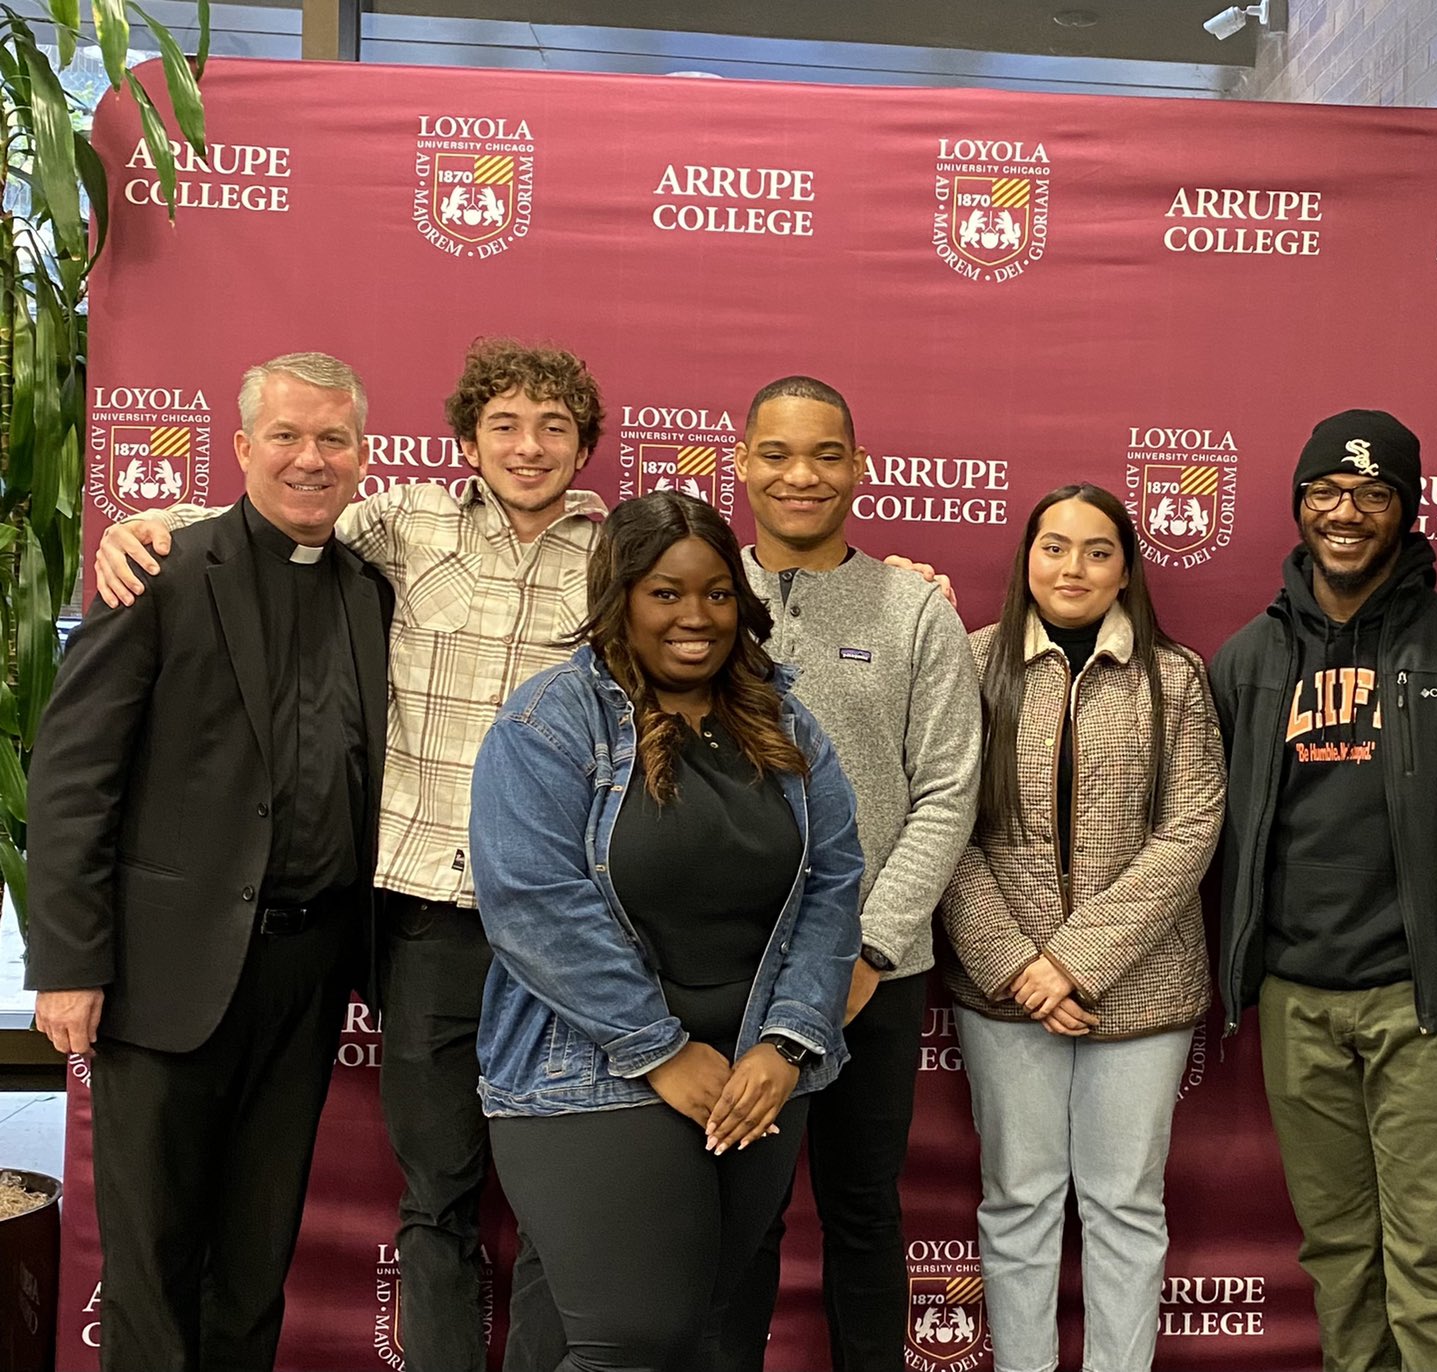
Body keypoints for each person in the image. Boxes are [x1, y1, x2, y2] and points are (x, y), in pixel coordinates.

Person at [93, 338, 605, 1372]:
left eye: (554, 426)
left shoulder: (622, 552)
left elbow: (721, 619)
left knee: (563, 1200)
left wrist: (890, 577)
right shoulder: (404, 522)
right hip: (424, 917)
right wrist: (145, 524)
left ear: (584, 446)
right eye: (504, 424)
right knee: (437, 1197)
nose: (528, 446)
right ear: (466, 441)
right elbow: (273, 519)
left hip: (564, 919)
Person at [26, 352, 392, 1370]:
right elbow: (73, 775)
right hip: (164, 970)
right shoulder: (159, 568)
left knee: (255, 1258)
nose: (310, 459)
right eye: (286, 436)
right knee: (150, 1261)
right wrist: (68, 961)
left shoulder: (371, 591)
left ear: (362, 454)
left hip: (306, 977)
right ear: (240, 447)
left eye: (333, 438)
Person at [469, 490, 863, 1371]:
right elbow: (534, 904)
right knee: (637, 1341)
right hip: (596, 1070)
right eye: (666, 593)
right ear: (619, 599)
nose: (697, 616)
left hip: (756, 1075)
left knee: (697, 1334)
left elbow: (833, 883)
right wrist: (660, 1049)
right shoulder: (548, 722)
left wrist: (787, 1045)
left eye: (717, 593)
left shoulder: (786, 722)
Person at [1210, 410, 1437, 1370]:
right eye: (1326, 492)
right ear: (1298, 504)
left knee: (1432, 1259)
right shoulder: (1248, 661)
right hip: (1298, 1003)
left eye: (1373, 494)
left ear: (1406, 511)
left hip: (1425, 1001)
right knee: (1338, 1255)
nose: (1346, 513)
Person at [722, 376, 981, 1372]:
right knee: (740, 1213)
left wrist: (867, 949)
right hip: (734, 969)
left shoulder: (914, 610)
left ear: (860, 467)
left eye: (826, 454)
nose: (802, 475)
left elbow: (947, 792)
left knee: (865, 1209)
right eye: (777, 453)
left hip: (876, 974)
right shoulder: (699, 597)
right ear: (741, 463)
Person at [939, 483, 1224, 1372]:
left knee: (1125, 1205)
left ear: (1125, 570)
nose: (1074, 567)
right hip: (1006, 990)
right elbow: (945, 827)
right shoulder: (971, 663)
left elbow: (1191, 828)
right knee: (1018, 1201)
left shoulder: (1174, 677)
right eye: (1054, 547)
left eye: (1098, 551)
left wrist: (1073, 962)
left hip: (1141, 990)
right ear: (1026, 559)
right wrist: (1017, 964)